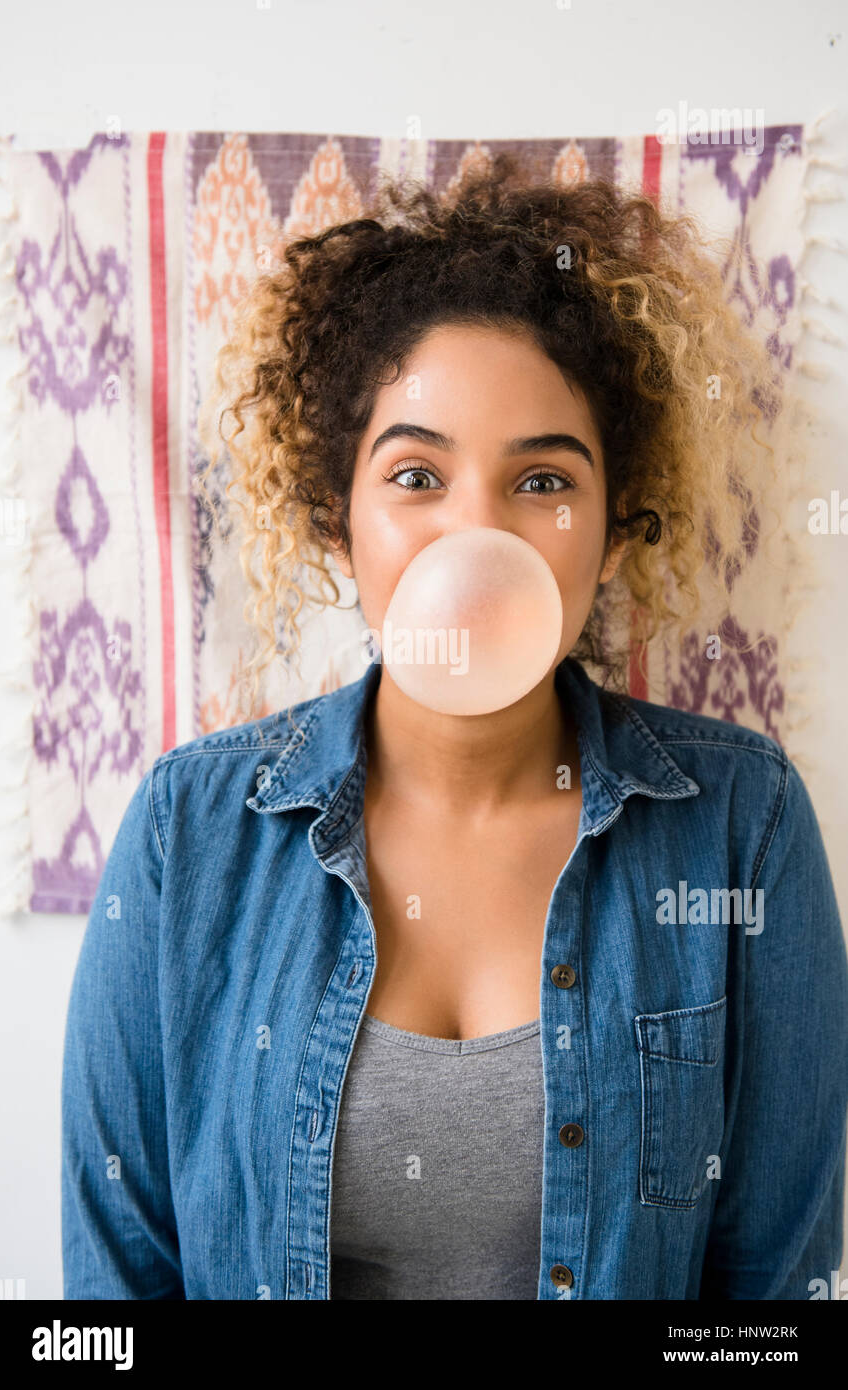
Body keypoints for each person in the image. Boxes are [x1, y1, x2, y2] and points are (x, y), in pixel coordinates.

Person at [61, 155, 848, 1299]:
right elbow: (115, 1288)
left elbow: (771, 1295)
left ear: (614, 536)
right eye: (417, 474)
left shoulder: (743, 822)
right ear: (338, 524)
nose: (474, 535)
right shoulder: (188, 831)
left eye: (541, 482)